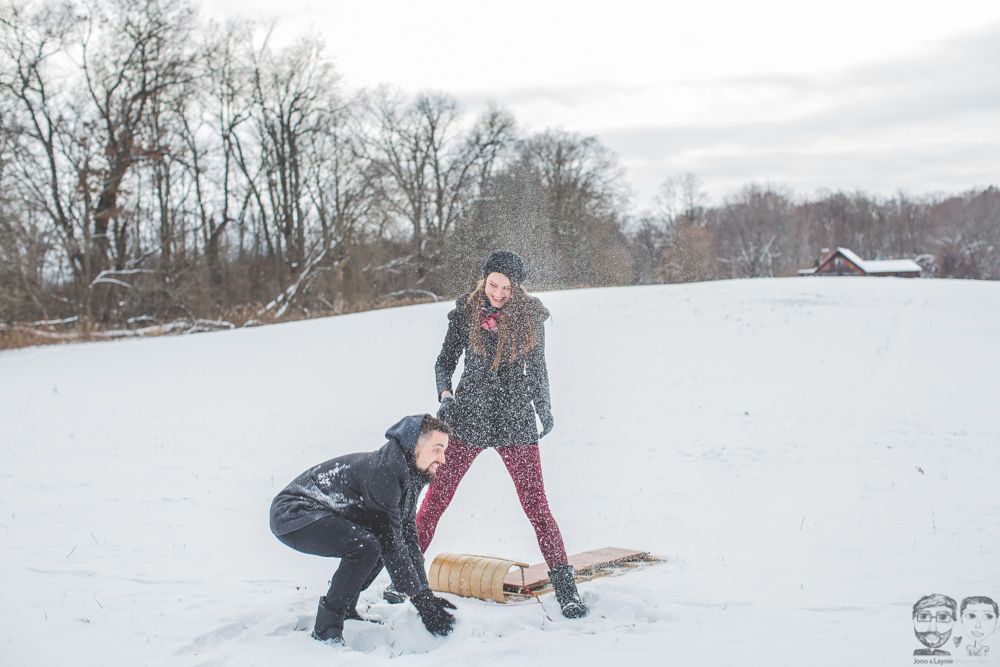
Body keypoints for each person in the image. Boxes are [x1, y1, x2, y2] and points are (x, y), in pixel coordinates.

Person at [414, 250, 588, 619]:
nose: (498, 293)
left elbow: (537, 369)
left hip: (514, 419)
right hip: (468, 417)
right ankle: (406, 580)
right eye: (493, 284)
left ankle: (566, 588)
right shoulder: (465, 313)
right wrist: (445, 395)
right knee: (434, 501)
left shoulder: (529, 318)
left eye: (507, 287)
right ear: (485, 280)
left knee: (537, 508)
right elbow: (444, 362)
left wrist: (544, 408)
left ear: (516, 287)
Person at [269, 414, 458, 644]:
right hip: (294, 513)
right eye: (437, 449)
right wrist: (420, 600)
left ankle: (347, 608)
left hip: (316, 512)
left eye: (444, 450)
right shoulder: (386, 472)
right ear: (415, 443)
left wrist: (425, 594)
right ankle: (326, 629)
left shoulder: (409, 474)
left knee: (375, 541)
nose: (443, 459)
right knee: (369, 545)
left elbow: (407, 536)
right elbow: (390, 542)